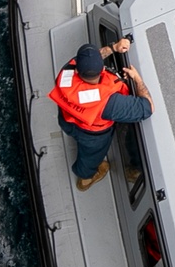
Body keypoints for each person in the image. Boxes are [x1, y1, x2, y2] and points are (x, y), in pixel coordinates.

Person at [49, 38, 154, 192]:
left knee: (80, 141)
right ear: (101, 71)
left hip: (67, 120)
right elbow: (148, 107)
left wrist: (114, 47)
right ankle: (85, 178)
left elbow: (90, 58)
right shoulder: (109, 103)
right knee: (91, 156)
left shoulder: (67, 71)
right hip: (92, 136)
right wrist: (137, 78)